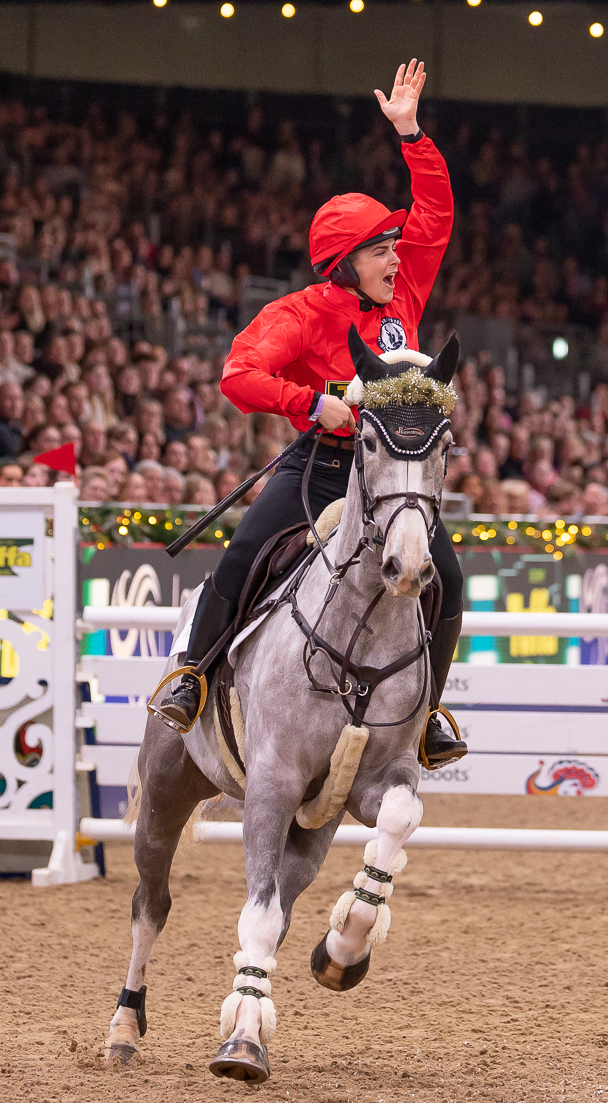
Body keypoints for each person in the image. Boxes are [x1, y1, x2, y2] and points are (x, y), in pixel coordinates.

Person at [150, 59, 466, 768]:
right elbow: (239, 376)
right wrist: (313, 404)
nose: (396, 256)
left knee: (447, 575)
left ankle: (429, 714)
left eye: (393, 246)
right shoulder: (295, 314)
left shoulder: (402, 293)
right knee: (245, 554)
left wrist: (411, 134)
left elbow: (438, 210)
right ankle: (190, 680)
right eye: (382, 249)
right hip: (320, 469)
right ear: (345, 261)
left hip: (388, 474)